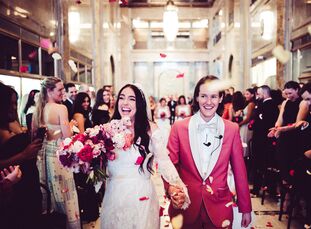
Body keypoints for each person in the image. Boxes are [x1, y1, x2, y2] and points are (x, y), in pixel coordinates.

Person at [166, 75, 251, 228]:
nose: (208, 102)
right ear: (197, 98)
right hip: (187, 206)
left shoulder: (231, 129)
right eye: (203, 96)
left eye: (213, 96)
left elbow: (240, 170)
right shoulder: (179, 128)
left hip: (220, 207)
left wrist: (245, 208)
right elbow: (170, 166)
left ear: (220, 98)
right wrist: (172, 190)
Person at [100, 84, 190, 229]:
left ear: (140, 104)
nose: (125, 103)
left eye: (131, 99)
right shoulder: (108, 129)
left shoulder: (150, 129)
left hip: (141, 194)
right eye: (121, 98)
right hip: (114, 194)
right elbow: (100, 165)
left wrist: (176, 187)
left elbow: (164, 162)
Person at [32, 77, 81, 229]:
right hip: (59, 155)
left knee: (49, 191)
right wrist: (72, 125)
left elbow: (34, 135)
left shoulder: (39, 109)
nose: (63, 92)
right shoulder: (61, 108)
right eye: (59, 90)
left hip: (44, 155)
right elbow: (67, 137)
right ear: (49, 91)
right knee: (65, 192)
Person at [0, 83, 42, 229]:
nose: (13, 107)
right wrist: (24, 155)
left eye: (15, 102)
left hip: (30, 177)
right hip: (12, 184)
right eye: (10, 103)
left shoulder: (13, 121)